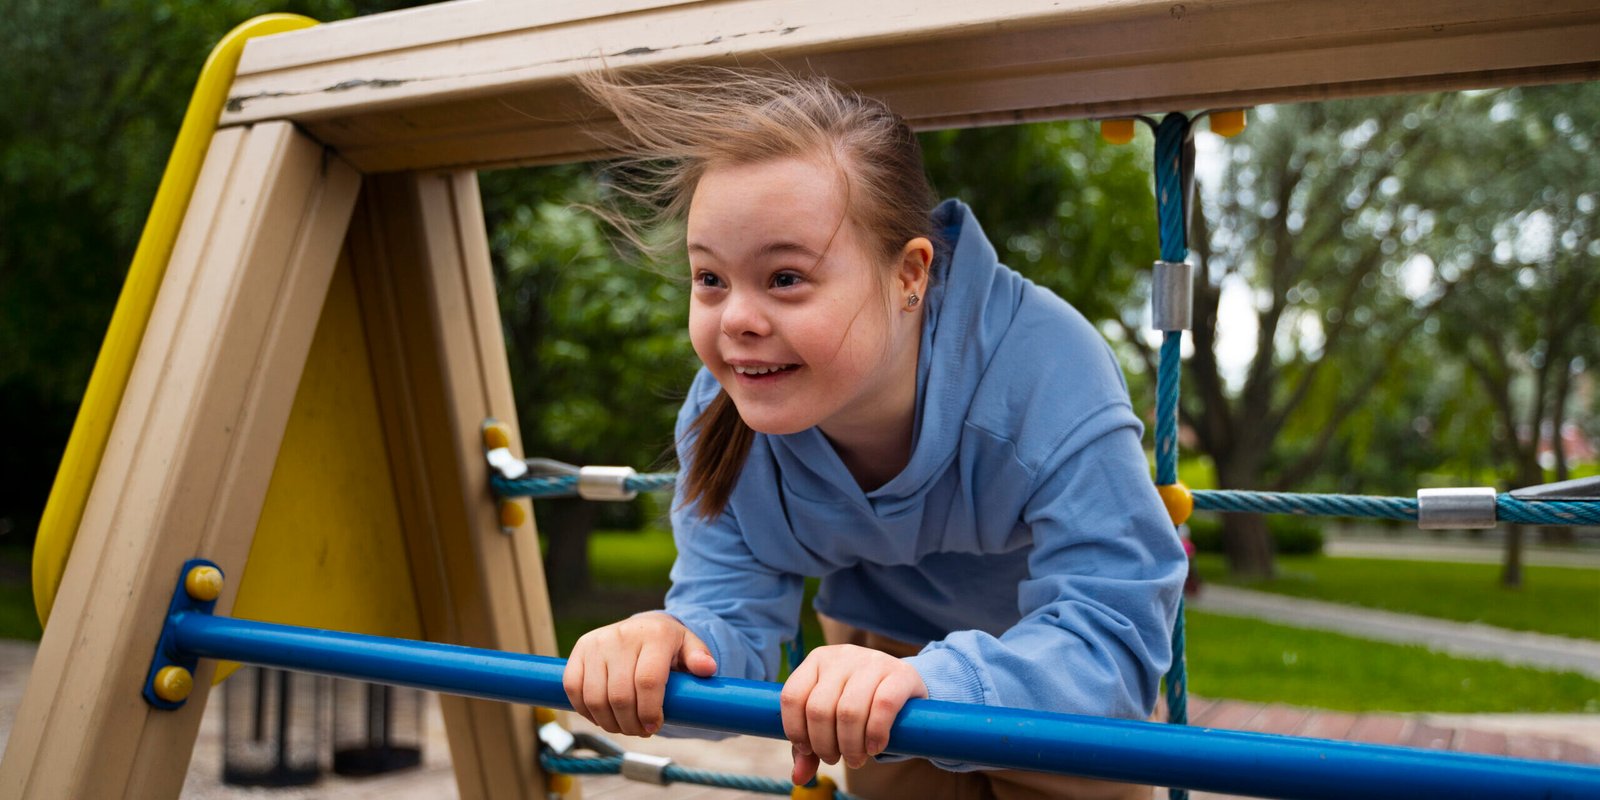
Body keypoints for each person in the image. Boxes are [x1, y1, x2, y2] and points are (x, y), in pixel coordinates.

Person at [561, 67, 1186, 800]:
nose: (736, 320)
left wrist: (934, 677)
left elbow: (1117, 630)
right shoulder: (724, 416)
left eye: (786, 277)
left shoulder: (1046, 371)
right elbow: (729, 623)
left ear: (908, 275)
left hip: (1054, 672)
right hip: (869, 659)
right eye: (710, 279)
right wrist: (667, 651)